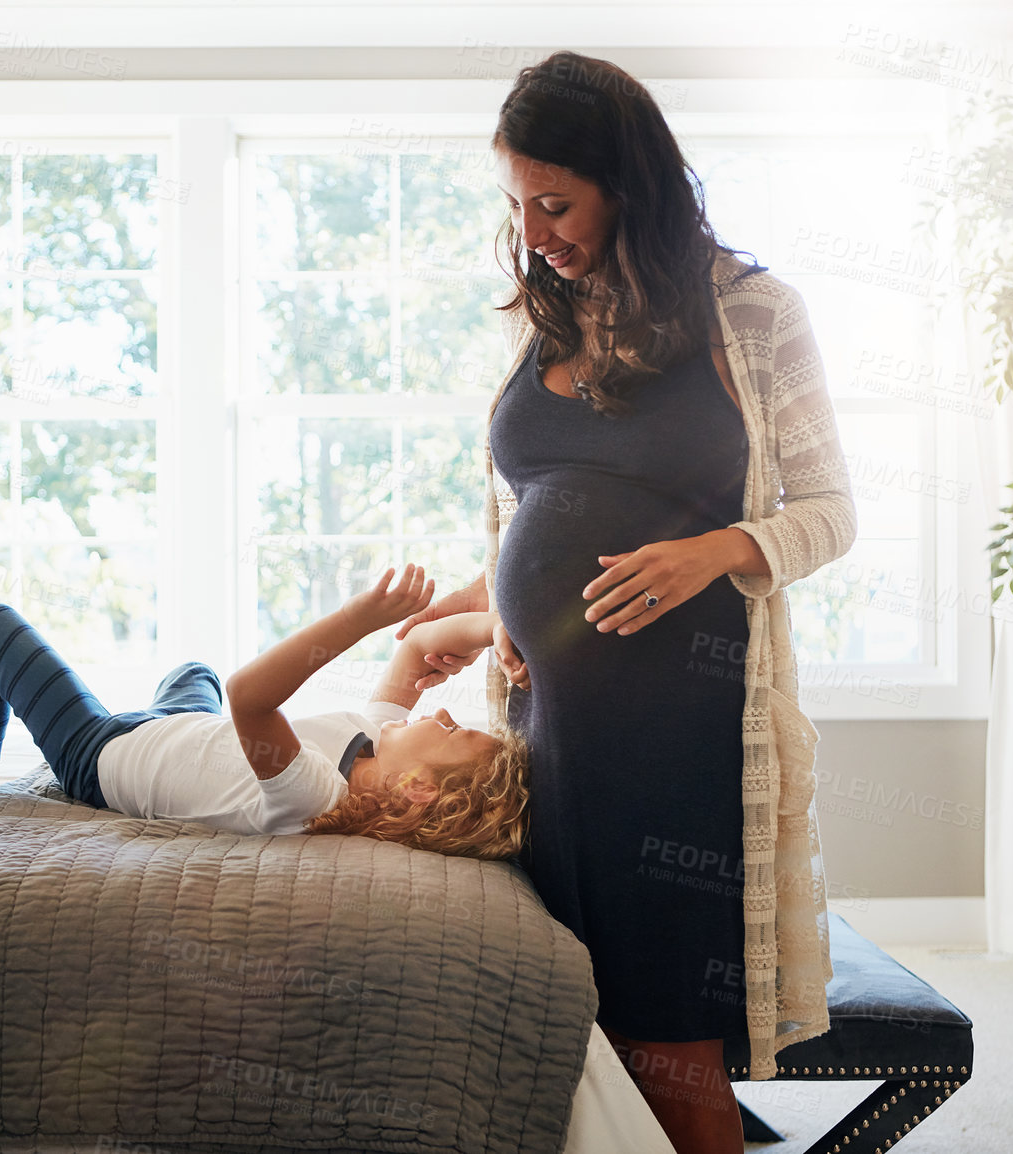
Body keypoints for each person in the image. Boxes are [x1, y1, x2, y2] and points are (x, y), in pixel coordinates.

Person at [397, 52, 858, 1154]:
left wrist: (711, 550)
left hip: (678, 735)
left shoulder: (752, 313)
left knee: (668, 1040)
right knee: (578, 1025)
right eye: (519, 204)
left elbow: (832, 512)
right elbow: (531, 504)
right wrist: (502, 604)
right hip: (549, 734)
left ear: (628, 182)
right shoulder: (548, 315)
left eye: (556, 202)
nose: (536, 229)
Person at [0, 564, 530, 861]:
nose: (446, 715)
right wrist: (498, 626)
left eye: (458, 731)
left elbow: (251, 696)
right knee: (192, 675)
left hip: (101, 756)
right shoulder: (372, 738)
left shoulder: (314, 797)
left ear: (414, 790)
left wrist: (358, 619)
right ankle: (164, 712)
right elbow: (420, 644)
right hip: (170, 730)